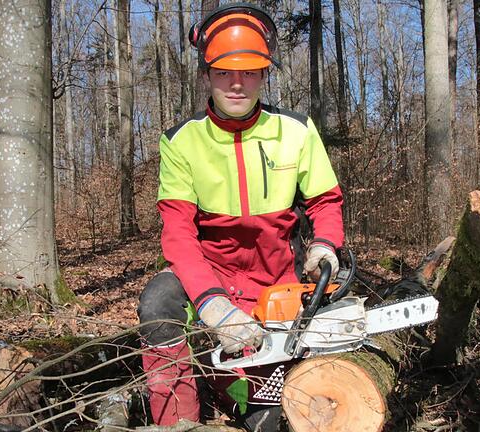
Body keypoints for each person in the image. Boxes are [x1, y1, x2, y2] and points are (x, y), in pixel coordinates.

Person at [137, 2, 343, 429]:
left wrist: (324, 244)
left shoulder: (296, 131)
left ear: (264, 74)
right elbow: (177, 233)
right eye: (224, 73)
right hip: (210, 273)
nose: (236, 84)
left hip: (278, 276)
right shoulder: (181, 141)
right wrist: (213, 304)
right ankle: (179, 421)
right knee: (158, 302)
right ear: (207, 74)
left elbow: (326, 200)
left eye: (249, 72)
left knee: (271, 415)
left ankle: (235, 391)